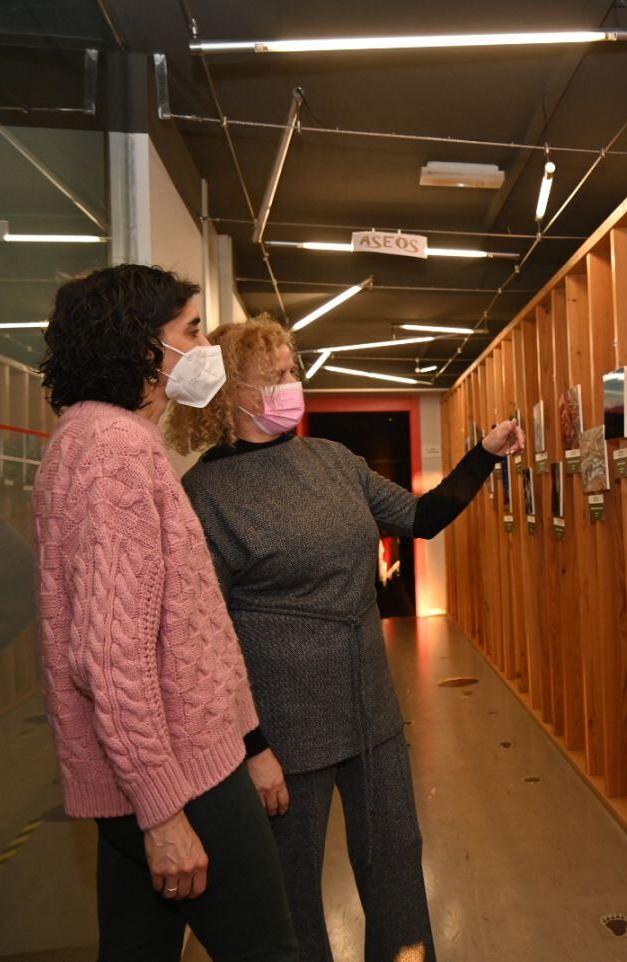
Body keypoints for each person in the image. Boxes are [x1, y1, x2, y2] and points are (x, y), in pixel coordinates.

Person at [166, 318, 525, 962]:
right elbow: (204, 637)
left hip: (370, 708)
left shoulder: (332, 461)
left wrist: (485, 454)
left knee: (395, 864)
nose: (291, 384)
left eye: (292, 370)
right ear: (233, 393)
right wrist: (251, 747)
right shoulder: (205, 494)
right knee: (292, 890)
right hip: (283, 729)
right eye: (274, 375)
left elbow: (422, 516)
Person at [32, 266, 298, 962]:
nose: (205, 344)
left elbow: (192, 626)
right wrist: (162, 811)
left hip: (168, 768)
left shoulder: (102, 439)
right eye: (190, 329)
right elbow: (110, 657)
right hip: (178, 777)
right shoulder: (110, 452)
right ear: (141, 346)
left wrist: (251, 743)